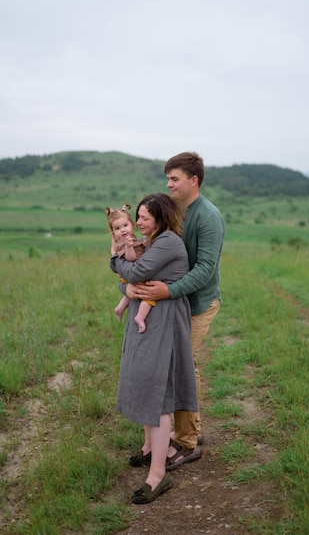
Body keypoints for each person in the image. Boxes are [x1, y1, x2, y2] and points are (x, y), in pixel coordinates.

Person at [128, 152, 225, 470]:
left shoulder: (207, 216)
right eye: (167, 178)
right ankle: (185, 430)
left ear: (193, 180)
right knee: (176, 365)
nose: (168, 184)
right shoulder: (175, 211)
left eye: (174, 179)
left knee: (182, 365)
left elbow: (206, 270)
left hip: (197, 304)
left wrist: (168, 290)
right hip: (173, 304)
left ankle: (186, 441)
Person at [110, 192, 198, 503]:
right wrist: (127, 286)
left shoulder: (168, 242)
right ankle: (153, 449)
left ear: (160, 218)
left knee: (157, 391)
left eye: (145, 217)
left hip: (163, 321)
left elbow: (133, 272)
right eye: (139, 216)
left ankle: (158, 476)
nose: (138, 222)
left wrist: (116, 260)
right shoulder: (152, 241)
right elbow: (129, 281)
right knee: (145, 384)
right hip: (146, 318)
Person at [105, 203, 155, 333]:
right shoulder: (122, 243)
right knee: (148, 294)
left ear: (132, 225)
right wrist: (128, 246)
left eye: (125, 226)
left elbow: (138, 249)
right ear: (113, 233)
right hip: (132, 273)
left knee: (132, 292)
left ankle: (120, 308)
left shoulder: (131, 238)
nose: (122, 230)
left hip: (129, 274)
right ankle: (140, 317)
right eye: (117, 228)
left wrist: (142, 244)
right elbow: (131, 258)